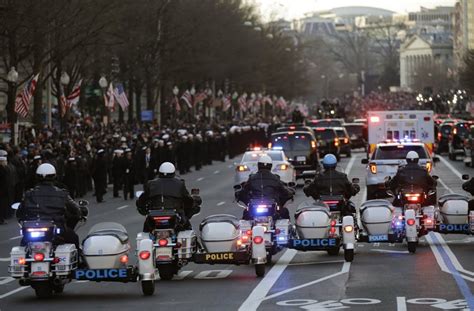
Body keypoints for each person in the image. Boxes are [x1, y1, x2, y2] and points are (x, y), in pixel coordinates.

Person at [16, 164, 84, 250]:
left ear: (37, 177)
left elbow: (19, 212)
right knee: (74, 238)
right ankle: (77, 261)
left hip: (32, 231)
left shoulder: (29, 194)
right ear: (54, 176)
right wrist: (80, 213)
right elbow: (76, 210)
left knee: (23, 247)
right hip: (57, 231)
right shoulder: (62, 194)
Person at [136, 162, 200, 232]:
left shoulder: (151, 184)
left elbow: (141, 201)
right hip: (175, 215)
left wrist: (142, 208)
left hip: (154, 217)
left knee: (146, 230)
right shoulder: (179, 183)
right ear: (173, 172)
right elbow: (188, 200)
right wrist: (193, 203)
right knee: (187, 228)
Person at [235, 155, 294, 220]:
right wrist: (290, 192)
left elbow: (243, 192)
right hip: (273, 210)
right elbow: (285, 192)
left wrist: (238, 194)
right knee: (285, 213)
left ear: (258, 165)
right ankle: (286, 230)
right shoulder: (275, 178)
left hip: (254, 210)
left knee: (245, 216)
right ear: (270, 166)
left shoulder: (252, 178)